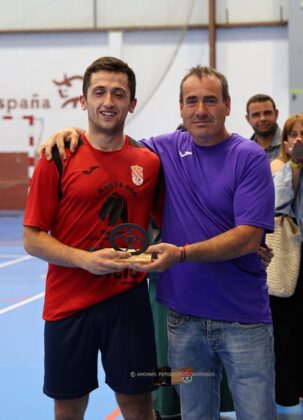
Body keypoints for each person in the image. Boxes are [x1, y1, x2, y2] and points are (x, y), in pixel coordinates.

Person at [39, 65, 276, 419]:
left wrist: (181, 254)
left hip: (242, 318)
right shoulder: (162, 149)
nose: (200, 110)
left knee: (257, 414)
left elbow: (247, 238)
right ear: (180, 108)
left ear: (227, 105)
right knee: (194, 414)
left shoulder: (249, 157)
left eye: (210, 100)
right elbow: (109, 141)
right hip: (183, 320)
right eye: (191, 101)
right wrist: (72, 131)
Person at [23, 56, 163, 420]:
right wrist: (86, 260)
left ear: (132, 103)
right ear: (83, 100)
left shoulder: (148, 162)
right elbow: (32, 238)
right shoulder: (57, 157)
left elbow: (173, 221)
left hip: (128, 302)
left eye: (119, 93)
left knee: (138, 405)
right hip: (68, 304)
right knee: (68, 406)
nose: (108, 101)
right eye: (99, 92)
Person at [269, 113, 303, 406]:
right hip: (292, 258)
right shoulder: (280, 167)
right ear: (287, 140)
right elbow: (279, 204)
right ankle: (286, 390)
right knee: (286, 327)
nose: (300, 140)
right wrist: (296, 162)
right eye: (296, 134)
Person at [246, 93, 281, 160]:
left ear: (276, 114)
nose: (262, 118)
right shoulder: (244, 151)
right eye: (256, 115)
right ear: (248, 119)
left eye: (267, 113)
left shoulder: (291, 147)